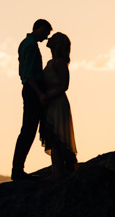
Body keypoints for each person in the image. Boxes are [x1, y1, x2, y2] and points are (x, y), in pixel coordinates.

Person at [11, 19, 52, 180]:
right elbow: (29, 75)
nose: (46, 37)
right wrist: (40, 94)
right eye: (45, 33)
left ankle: (18, 169)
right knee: (28, 130)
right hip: (32, 91)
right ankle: (17, 170)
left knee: (28, 130)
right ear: (39, 28)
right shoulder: (31, 45)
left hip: (30, 90)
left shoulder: (26, 43)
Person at [38, 32, 77, 177]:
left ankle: (59, 173)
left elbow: (64, 86)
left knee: (58, 138)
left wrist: (48, 96)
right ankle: (57, 172)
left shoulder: (60, 63)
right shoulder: (50, 63)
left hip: (58, 104)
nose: (49, 39)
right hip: (50, 104)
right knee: (52, 138)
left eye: (53, 38)